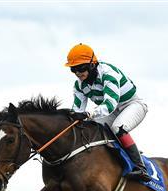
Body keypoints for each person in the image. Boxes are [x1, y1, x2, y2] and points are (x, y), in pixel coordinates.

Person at [65, 43, 152, 182]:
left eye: (81, 68)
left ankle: (140, 167)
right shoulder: (79, 85)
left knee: (118, 127)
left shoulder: (108, 74)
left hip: (132, 105)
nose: (77, 73)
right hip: (111, 111)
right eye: (73, 69)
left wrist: (88, 114)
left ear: (92, 65)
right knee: (88, 128)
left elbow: (109, 104)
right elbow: (77, 111)